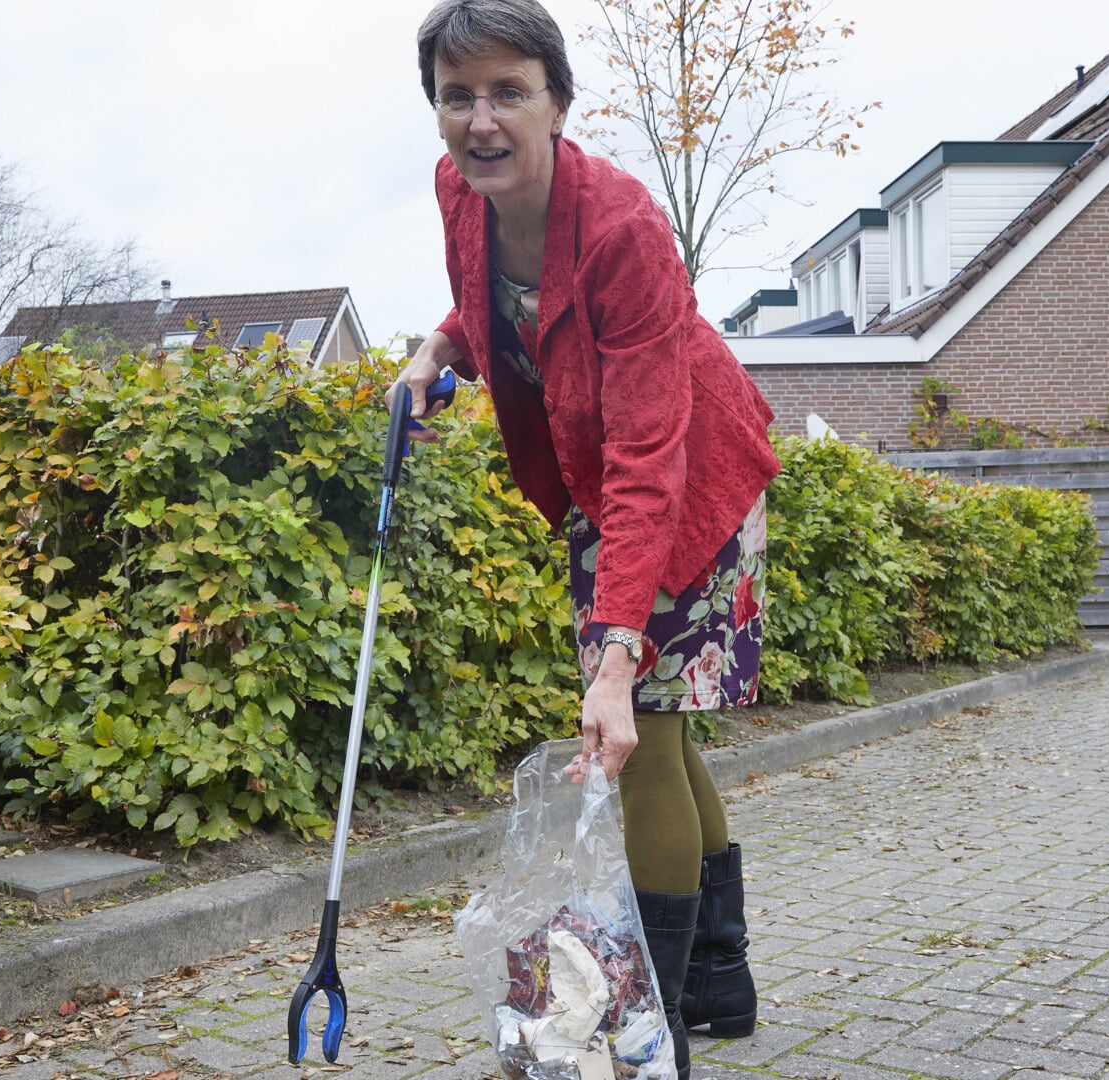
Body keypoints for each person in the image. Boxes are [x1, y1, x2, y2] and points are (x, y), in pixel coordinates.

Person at [403, 1, 779, 1073]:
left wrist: (614, 657)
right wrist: (436, 349)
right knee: (666, 733)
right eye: (457, 95)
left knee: (643, 731)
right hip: (595, 483)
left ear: (556, 104)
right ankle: (720, 981)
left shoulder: (621, 226)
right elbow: (484, 306)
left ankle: (653, 1026)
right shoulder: (458, 193)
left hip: (688, 479)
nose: (481, 119)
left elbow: (653, 449)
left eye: (507, 91)